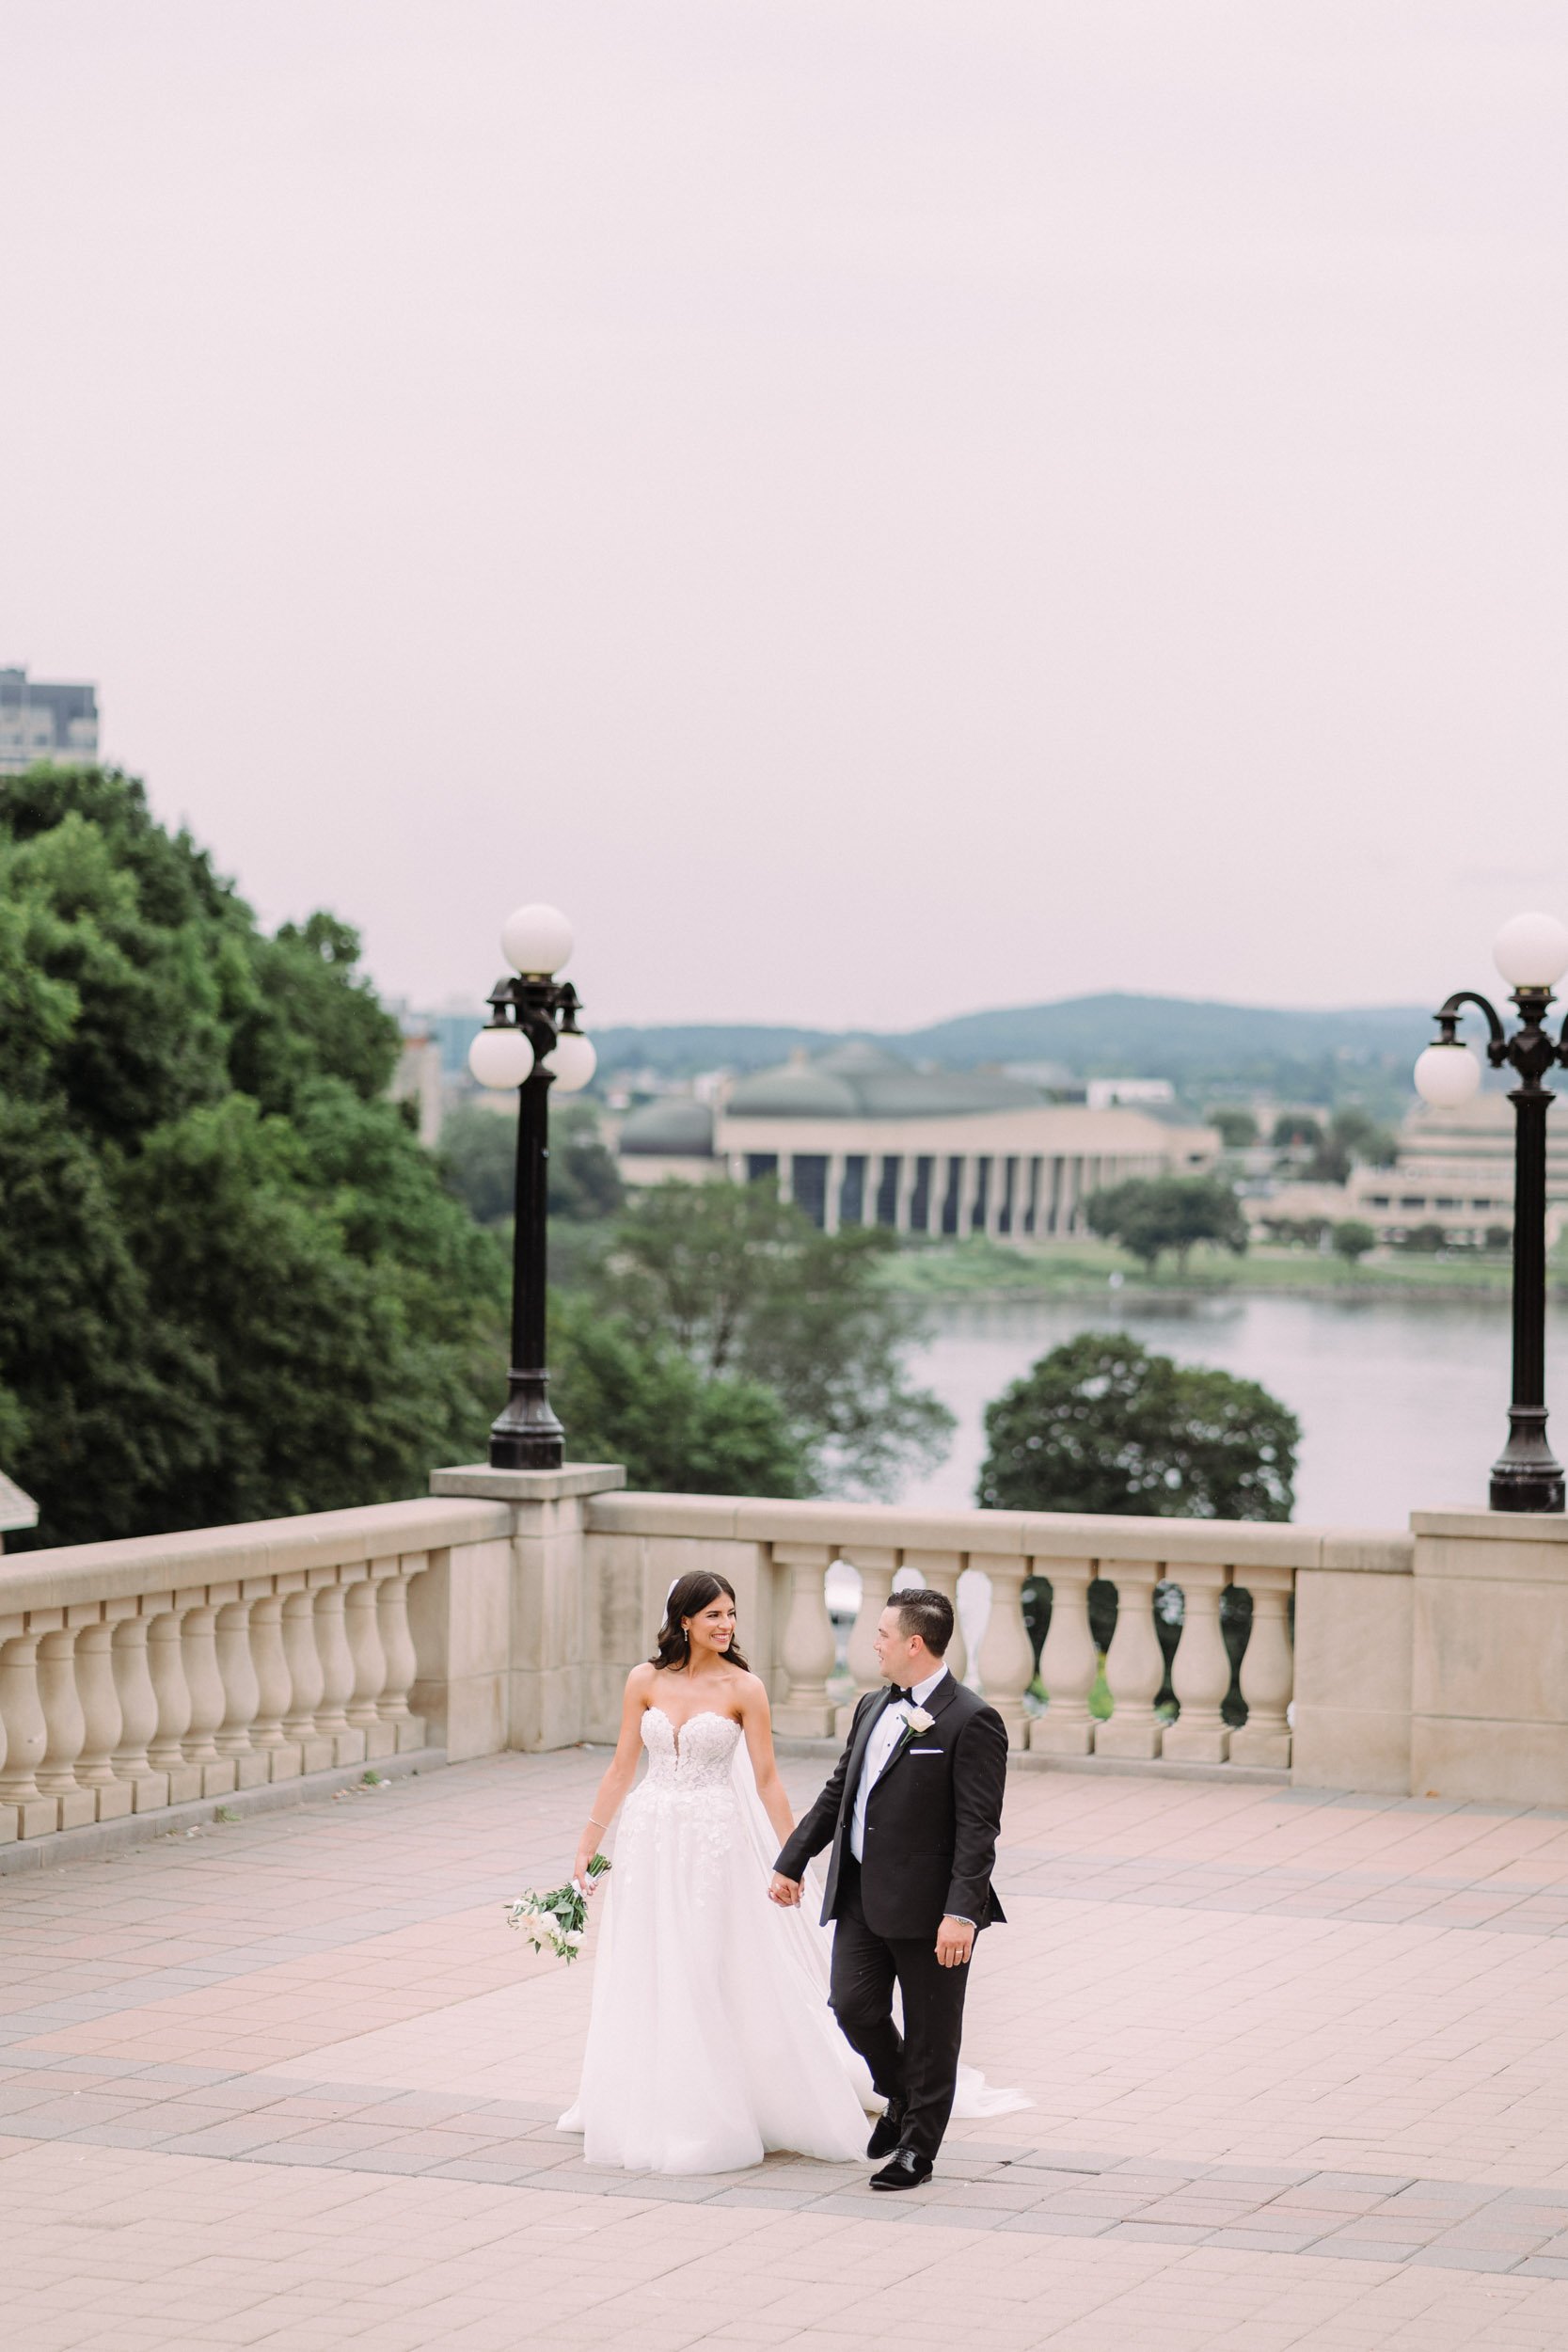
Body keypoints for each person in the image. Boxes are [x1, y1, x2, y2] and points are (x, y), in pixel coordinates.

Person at [558, 1569, 872, 2173]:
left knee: (705, 1961)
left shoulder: (745, 1688)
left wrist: (793, 1856)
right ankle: (645, 2096)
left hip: (712, 1842)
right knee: (649, 1958)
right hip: (649, 1836)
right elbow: (621, 1767)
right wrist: (588, 1844)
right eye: (713, 1615)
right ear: (684, 1621)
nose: (726, 1625)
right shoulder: (644, 1679)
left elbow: (767, 1780)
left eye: (730, 1614)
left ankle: (714, 2107)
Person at [769, 1585, 1009, 2191]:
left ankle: (917, 2151)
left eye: (881, 1634)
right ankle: (901, 2095)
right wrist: (792, 1860)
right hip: (860, 1894)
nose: (872, 1643)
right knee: (852, 2007)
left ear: (914, 1643)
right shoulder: (872, 1705)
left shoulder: (972, 1719)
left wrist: (961, 1912)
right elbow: (839, 1792)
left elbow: (978, 1828)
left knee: (932, 2032)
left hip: (932, 1908)